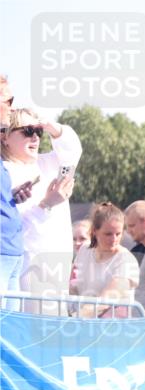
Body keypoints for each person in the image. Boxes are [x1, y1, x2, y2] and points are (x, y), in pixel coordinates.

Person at [1, 107, 79, 313]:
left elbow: (73, 151)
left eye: (38, 131)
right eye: (27, 131)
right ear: (5, 137)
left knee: (53, 336)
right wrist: (46, 205)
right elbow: (11, 229)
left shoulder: (48, 162)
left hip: (57, 264)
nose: (35, 137)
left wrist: (54, 128)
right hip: (28, 266)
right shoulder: (5, 171)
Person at [69, 202, 140, 318]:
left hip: (113, 329)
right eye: (108, 234)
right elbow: (72, 288)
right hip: (83, 325)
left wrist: (74, 319)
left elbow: (106, 300)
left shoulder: (126, 260)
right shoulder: (84, 250)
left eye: (118, 234)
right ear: (94, 231)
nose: (114, 239)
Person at [0, 75, 25, 304]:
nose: (13, 107)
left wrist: (11, 197)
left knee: (10, 333)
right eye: (9, 100)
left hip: (13, 253)